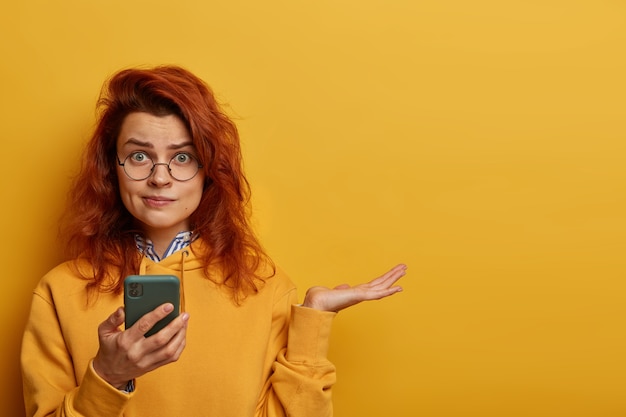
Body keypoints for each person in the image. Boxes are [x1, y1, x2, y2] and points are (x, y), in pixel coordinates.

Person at [20, 65, 407, 417]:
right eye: (139, 155)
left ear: (209, 170)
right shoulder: (59, 292)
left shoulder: (262, 284)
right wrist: (107, 377)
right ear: (111, 168)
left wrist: (312, 321)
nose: (160, 177)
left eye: (183, 158)